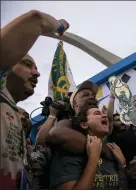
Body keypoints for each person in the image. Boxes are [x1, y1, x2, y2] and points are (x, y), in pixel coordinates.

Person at [0, 10, 69, 189]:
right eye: (27, 64)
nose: (37, 73)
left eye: (37, 67)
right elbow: (36, 19)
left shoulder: (12, 111)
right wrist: (59, 25)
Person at [49, 106, 128, 190]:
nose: (105, 116)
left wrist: (122, 166)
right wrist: (93, 158)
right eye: (97, 113)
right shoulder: (69, 153)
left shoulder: (112, 151)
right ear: (84, 124)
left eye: (104, 113)